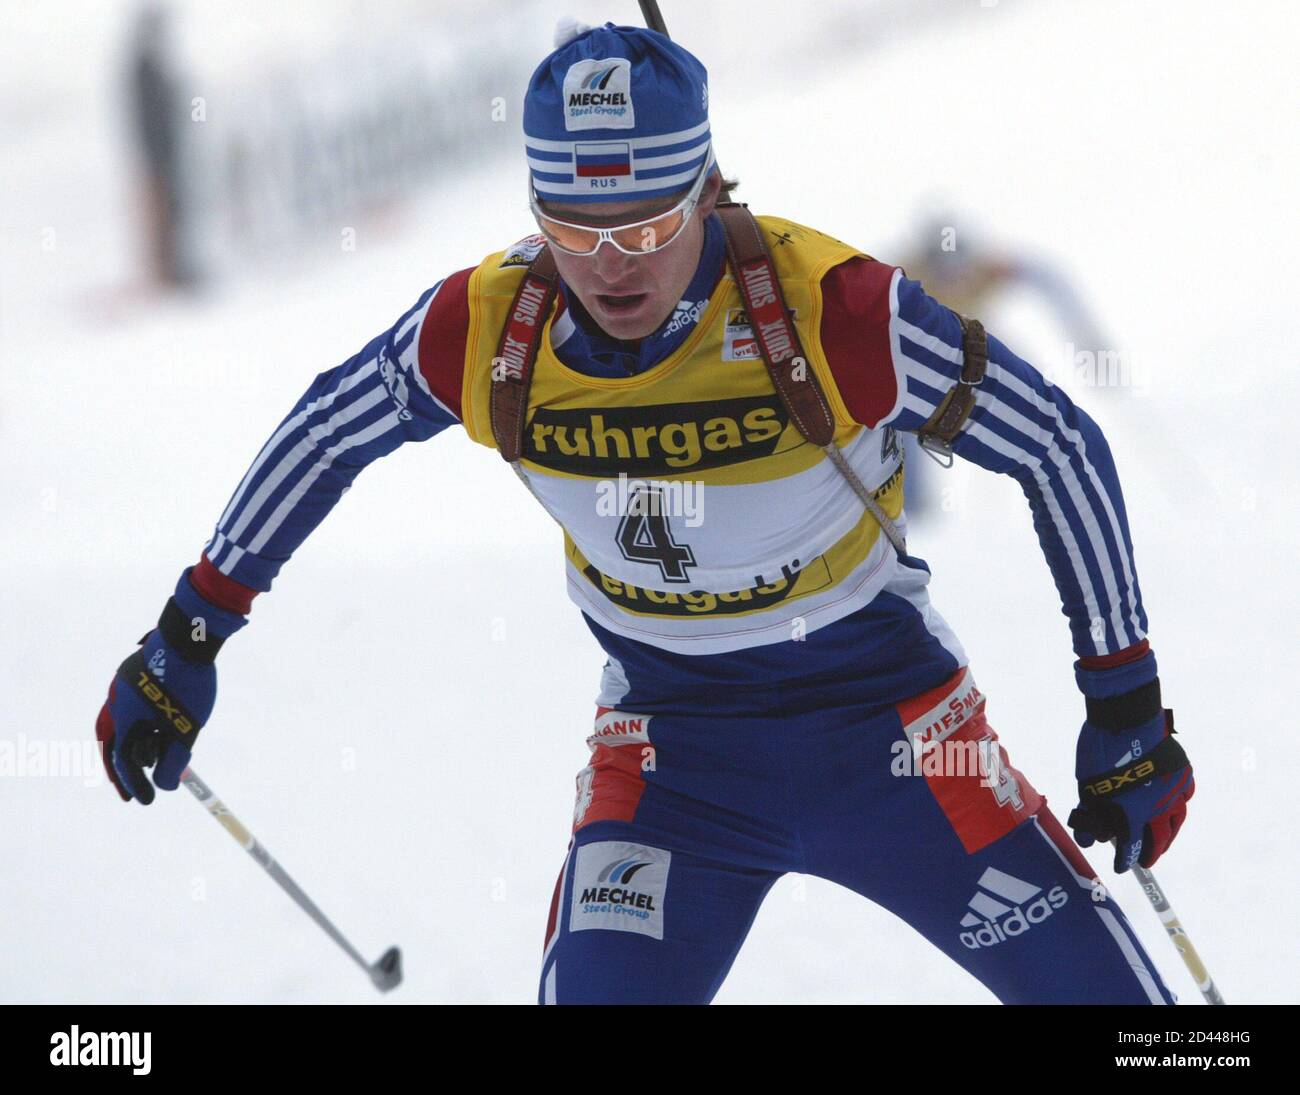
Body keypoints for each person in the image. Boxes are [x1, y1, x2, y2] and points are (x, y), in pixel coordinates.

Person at [95, 22, 1194, 1004]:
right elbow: (326, 431)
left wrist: (1125, 704)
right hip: (671, 761)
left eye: (646, 224)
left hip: (900, 738)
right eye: (571, 228)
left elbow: (1057, 447)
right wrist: (188, 636)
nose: (608, 266)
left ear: (706, 194)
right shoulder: (489, 327)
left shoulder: (830, 308)